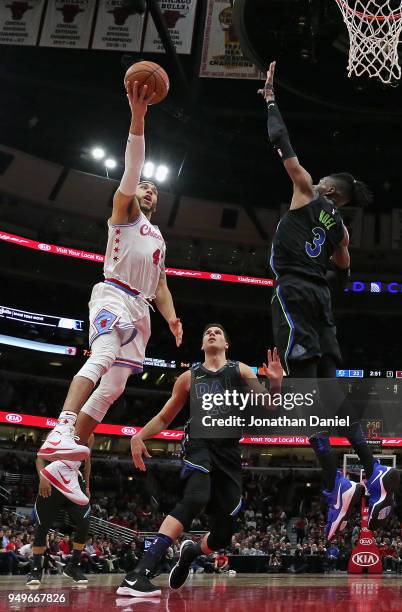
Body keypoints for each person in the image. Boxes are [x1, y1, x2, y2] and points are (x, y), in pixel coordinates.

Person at [258, 61, 399, 539]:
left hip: (295, 293)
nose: (311, 183)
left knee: (303, 399)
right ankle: (371, 468)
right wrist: (338, 248)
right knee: (329, 396)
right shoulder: (339, 226)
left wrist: (271, 100)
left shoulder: (306, 193)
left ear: (328, 191)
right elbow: (344, 266)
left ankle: (335, 481)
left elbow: (283, 145)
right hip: (321, 302)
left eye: (320, 186)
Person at [37, 80, 183, 504]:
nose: (148, 188)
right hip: (113, 295)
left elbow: (161, 284)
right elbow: (132, 169)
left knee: (115, 386)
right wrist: (138, 120)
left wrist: (171, 317)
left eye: (154, 188)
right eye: (144, 186)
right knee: (100, 358)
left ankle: (65, 466)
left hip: (141, 310)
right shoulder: (124, 212)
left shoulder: (158, 238)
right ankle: (63, 426)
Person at [117, 323, 283, 597]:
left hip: (229, 452)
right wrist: (139, 436)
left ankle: (191, 552)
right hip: (199, 444)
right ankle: (139, 573)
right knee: (195, 497)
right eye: (207, 332)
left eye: (219, 331)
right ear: (202, 345)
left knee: (223, 535)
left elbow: (271, 405)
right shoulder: (189, 377)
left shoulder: (240, 370)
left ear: (226, 344)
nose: (212, 333)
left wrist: (276, 384)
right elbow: (164, 417)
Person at [26, 436, 94, 585]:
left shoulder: (89, 434)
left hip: (75, 481)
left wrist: (87, 486)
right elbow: (40, 457)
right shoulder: (59, 430)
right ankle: (36, 570)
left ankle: (73, 567)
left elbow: (87, 461)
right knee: (43, 525)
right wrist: (42, 477)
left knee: (84, 520)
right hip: (53, 479)